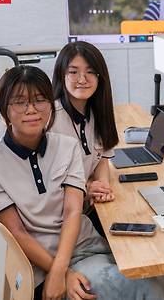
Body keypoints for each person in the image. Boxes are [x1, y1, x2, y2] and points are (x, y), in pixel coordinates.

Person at [0, 66, 164, 300]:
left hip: (86, 248)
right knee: (149, 293)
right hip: (40, 263)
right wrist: (60, 273)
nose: (32, 110)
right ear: (4, 109)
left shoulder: (66, 146)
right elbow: (17, 232)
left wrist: (62, 270)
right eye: (20, 102)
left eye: (40, 100)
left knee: (148, 276)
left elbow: (73, 211)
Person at [51, 41, 119, 236]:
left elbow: (102, 159)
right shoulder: (50, 120)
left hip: (88, 209)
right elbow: (48, 184)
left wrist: (102, 187)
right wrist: (84, 190)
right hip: (61, 219)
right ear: (62, 75)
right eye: (73, 72)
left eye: (90, 72)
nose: (82, 79)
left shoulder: (98, 113)